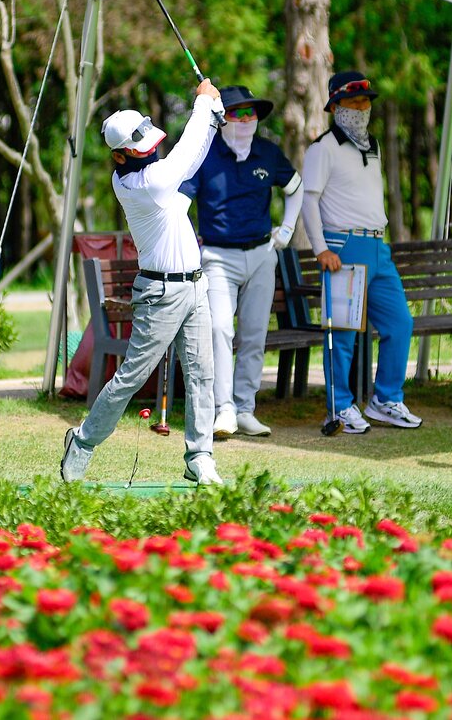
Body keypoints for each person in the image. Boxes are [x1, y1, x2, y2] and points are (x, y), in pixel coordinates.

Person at [61, 79, 226, 486]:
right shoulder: (142, 185)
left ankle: (200, 456)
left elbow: (189, 162)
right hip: (160, 294)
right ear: (119, 156)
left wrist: (211, 123)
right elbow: (182, 158)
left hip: (195, 287)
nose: (152, 150)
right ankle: (82, 442)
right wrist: (203, 107)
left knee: (203, 374)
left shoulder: (152, 172)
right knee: (132, 377)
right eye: (141, 149)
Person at [301, 71, 422, 434]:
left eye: (366, 101)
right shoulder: (323, 148)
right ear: (335, 106)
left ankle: (385, 399)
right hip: (342, 245)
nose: (362, 108)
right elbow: (309, 201)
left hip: (377, 245)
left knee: (400, 322)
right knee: (343, 332)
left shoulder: (374, 145)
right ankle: (339, 408)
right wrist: (320, 248)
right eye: (354, 102)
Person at [180, 85, 304, 439]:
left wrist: (287, 230)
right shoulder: (205, 156)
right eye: (237, 113)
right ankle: (224, 411)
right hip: (218, 257)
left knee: (254, 333)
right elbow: (180, 203)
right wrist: (189, 244)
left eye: (251, 113)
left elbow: (295, 188)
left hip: (262, 255)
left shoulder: (267, 152)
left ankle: (246, 408)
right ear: (222, 120)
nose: (246, 120)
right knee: (220, 329)